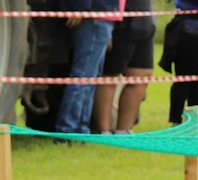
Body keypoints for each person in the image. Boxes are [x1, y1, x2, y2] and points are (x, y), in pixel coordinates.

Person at [54, 0, 119, 135]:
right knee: (83, 76)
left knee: (89, 78)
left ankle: (80, 128)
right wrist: (80, 7)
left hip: (101, 16)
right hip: (94, 15)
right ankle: (67, 129)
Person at [93, 0, 155, 134]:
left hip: (145, 18)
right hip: (121, 19)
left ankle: (124, 131)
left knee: (142, 76)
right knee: (110, 76)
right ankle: (103, 131)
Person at [171, 0, 198, 125]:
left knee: (192, 84)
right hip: (188, 30)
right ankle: (176, 122)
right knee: (183, 81)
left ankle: (192, 124)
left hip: (187, 28)